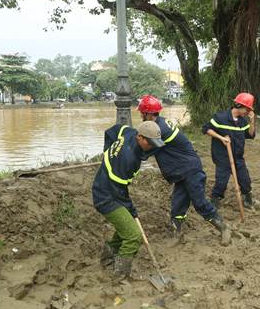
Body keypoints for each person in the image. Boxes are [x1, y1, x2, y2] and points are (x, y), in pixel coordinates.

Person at [137, 95, 231, 246]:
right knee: (178, 205)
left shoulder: (159, 130)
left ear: (148, 114)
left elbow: (143, 152)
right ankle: (176, 234)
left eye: (142, 113)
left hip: (190, 170)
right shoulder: (159, 125)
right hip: (181, 172)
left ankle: (224, 227)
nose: (141, 116)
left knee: (200, 203)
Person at [92, 121, 164, 279]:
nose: (152, 147)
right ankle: (120, 275)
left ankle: (107, 257)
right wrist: (132, 210)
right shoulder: (127, 159)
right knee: (133, 236)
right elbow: (120, 193)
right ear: (140, 137)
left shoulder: (128, 132)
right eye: (150, 143)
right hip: (106, 197)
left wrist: (107, 153)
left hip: (111, 189)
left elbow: (112, 130)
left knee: (125, 229)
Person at [202, 93, 256, 209]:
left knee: (245, 180)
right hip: (222, 157)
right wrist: (221, 138)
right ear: (239, 106)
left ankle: (248, 199)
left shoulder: (242, 122)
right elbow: (206, 129)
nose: (248, 112)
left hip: (238, 157)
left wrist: (252, 121)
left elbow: (250, 135)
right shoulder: (220, 117)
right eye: (247, 109)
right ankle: (215, 201)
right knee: (221, 181)